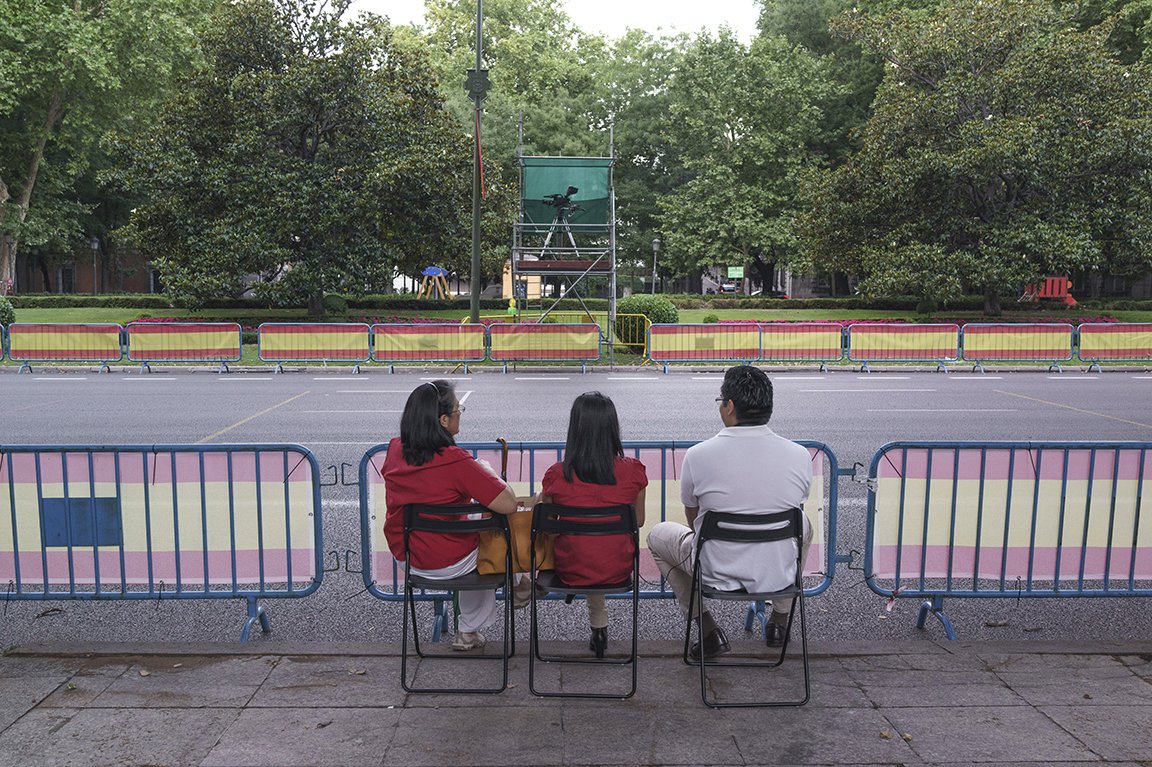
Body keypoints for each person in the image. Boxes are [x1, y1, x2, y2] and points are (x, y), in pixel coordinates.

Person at [647, 366, 813, 658]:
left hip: (713, 571)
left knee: (657, 536)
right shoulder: (800, 455)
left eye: (720, 400)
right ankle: (779, 620)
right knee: (804, 523)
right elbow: (794, 508)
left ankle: (708, 630)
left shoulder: (698, 455)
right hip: (776, 573)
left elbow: (693, 520)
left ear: (730, 406)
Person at [382, 380, 528, 651]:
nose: (460, 413)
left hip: (408, 558)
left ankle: (518, 587)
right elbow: (508, 503)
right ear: (444, 420)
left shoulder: (394, 450)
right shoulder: (455, 460)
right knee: (494, 538)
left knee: (474, 531)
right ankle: (474, 625)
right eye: (458, 409)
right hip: (449, 561)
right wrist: (488, 472)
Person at [537, 392, 648, 658]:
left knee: (583, 548)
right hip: (618, 568)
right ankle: (599, 630)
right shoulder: (634, 471)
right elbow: (639, 521)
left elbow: (547, 525)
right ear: (612, 427)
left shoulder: (557, 474)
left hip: (570, 568)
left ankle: (522, 594)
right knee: (599, 547)